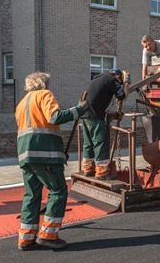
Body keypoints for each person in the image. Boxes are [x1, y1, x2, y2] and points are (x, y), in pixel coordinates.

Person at [15, 72, 88, 251]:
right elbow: (54, 117)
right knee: (58, 190)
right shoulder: (44, 95)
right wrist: (79, 109)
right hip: (44, 152)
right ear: (43, 84)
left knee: (32, 195)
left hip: (25, 154)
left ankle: (26, 238)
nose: (49, 86)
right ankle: (48, 235)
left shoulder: (22, 102)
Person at [82, 69, 128, 180]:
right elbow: (122, 96)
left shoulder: (98, 78)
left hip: (83, 113)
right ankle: (101, 172)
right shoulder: (112, 79)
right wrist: (126, 83)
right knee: (100, 143)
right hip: (95, 116)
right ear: (118, 76)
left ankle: (88, 169)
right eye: (119, 81)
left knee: (88, 143)